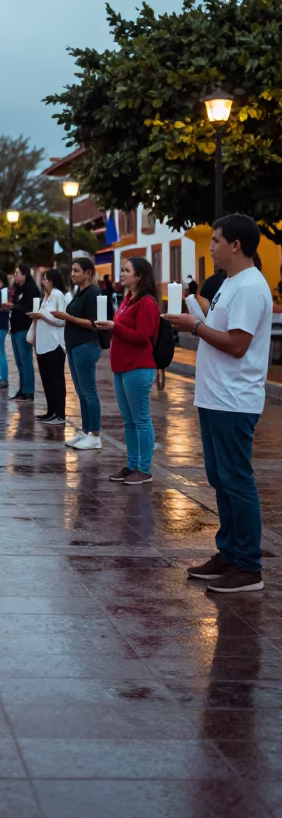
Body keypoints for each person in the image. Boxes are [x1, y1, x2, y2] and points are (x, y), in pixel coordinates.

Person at [166, 214, 272, 593]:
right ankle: (229, 553)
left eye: (215, 240)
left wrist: (193, 326)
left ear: (235, 245)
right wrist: (197, 320)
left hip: (234, 399)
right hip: (215, 397)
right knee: (220, 479)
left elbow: (237, 344)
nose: (210, 246)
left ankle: (248, 566)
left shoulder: (248, 288)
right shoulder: (230, 283)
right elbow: (221, 330)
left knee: (236, 480)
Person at [97, 256, 160, 484]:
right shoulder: (127, 300)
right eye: (122, 270)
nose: (122, 274)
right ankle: (132, 464)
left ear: (139, 276)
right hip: (121, 367)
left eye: (126, 270)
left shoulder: (147, 303)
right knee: (128, 420)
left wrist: (116, 326)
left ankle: (144, 469)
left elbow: (142, 336)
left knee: (141, 419)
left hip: (138, 367)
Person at [51, 257, 102, 450]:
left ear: (88, 272)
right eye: (72, 271)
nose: (72, 274)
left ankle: (95, 435)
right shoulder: (79, 293)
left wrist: (66, 317)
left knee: (89, 392)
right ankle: (85, 431)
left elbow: (94, 323)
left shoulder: (94, 293)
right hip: (74, 346)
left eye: (77, 271)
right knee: (81, 393)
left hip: (86, 346)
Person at [27, 269, 68, 425]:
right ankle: (51, 411)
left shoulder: (58, 295)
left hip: (55, 343)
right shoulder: (45, 298)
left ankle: (60, 413)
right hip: (43, 344)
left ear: (51, 281)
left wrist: (42, 316)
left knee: (56, 379)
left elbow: (61, 320)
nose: (42, 282)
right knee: (47, 379)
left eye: (44, 279)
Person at [1, 264, 39, 401]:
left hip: (24, 327)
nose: (15, 275)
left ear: (24, 275)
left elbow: (29, 308)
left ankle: (29, 390)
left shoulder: (31, 289)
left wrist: (14, 307)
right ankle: (22, 389)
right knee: (19, 361)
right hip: (15, 327)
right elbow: (16, 306)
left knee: (26, 360)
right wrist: (9, 307)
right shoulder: (17, 289)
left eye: (17, 273)